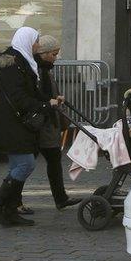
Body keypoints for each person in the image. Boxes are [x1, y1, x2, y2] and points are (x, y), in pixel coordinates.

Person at [0, 27, 60, 227]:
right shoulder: (14, 66)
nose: (37, 45)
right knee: (25, 164)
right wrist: (44, 105)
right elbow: (20, 98)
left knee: (19, 165)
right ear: (26, 41)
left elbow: (31, 92)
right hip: (11, 124)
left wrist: (49, 100)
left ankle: (9, 210)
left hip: (17, 124)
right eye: (35, 42)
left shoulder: (23, 63)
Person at [31, 36, 80, 211]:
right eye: (53, 54)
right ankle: (12, 200)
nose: (55, 58)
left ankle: (60, 198)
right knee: (27, 164)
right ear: (43, 53)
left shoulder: (45, 70)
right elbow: (37, 96)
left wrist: (56, 99)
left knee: (51, 160)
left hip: (47, 123)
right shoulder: (37, 71)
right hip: (42, 124)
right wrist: (51, 101)